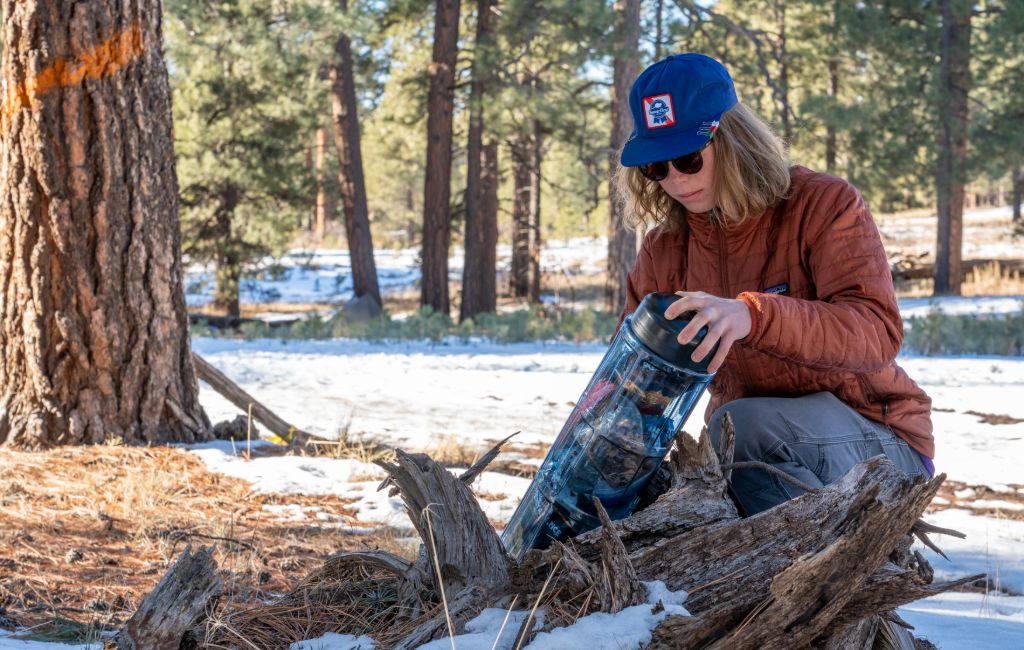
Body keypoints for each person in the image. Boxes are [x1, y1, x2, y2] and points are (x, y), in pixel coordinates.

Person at [615, 53, 934, 516]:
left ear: (732, 139)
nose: (675, 182)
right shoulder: (664, 251)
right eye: (656, 168)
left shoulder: (823, 204)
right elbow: (629, 376)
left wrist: (753, 315)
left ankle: (831, 576)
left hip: (880, 442)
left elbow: (877, 332)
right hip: (754, 459)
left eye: (688, 158)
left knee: (740, 430)